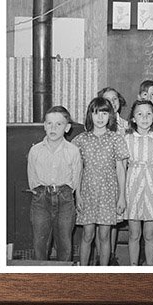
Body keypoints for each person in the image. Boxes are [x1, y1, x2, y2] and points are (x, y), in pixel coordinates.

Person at [74, 97, 128, 266]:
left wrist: (122, 196)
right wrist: (78, 195)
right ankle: (83, 271)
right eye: (96, 113)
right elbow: (78, 170)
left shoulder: (116, 139)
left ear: (110, 116)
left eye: (104, 113)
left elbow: (121, 169)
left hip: (108, 193)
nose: (100, 117)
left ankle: (103, 272)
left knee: (104, 235)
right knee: (87, 234)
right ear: (90, 115)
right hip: (88, 192)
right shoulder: (81, 140)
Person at [27, 105, 81, 262]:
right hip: (40, 199)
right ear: (44, 125)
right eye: (49, 123)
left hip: (65, 200)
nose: (53, 128)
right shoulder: (35, 150)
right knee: (40, 244)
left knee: (64, 244)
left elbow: (76, 177)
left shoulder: (73, 151)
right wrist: (39, 191)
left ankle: (63, 275)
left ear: (67, 128)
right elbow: (32, 177)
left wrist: (66, 192)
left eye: (59, 124)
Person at [124, 99, 153, 265]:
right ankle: (134, 267)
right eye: (140, 114)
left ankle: (150, 268)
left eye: (148, 114)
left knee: (150, 234)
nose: (144, 118)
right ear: (133, 118)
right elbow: (122, 168)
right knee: (134, 234)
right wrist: (121, 196)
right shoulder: (127, 138)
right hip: (133, 187)